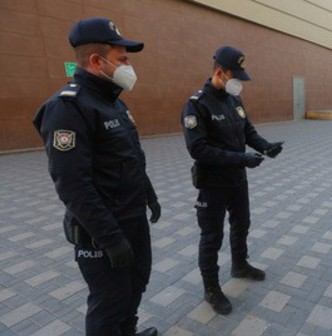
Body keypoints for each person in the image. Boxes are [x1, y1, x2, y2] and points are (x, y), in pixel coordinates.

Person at [33, 18, 160, 336]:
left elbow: (130, 157)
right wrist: (111, 238)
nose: (129, 66)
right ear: (96, 60)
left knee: (135, 285)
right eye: (123, 59)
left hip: (132, 219)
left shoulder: (112, 101)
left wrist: (150, 195)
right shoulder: (68, 108)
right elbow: (72, 185)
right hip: (101, 231)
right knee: (109, 302)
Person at [181, 46, 284, 315]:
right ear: (220, 72)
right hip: (212, 184)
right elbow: (198, 149)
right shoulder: (197, 104)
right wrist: (241, 159)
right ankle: (212, 288)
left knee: (242, 224)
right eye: (235, 75)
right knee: (212, 237)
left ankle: (239, 265)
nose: (240, 81)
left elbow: (247, 130)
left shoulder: (233, 99)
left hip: (237, 180)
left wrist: (265, 147)